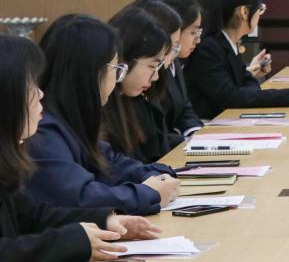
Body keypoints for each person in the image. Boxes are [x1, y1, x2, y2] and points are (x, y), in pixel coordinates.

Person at [0, 34, 161, 262]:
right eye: (30, 86)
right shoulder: (47, 131)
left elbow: (31, 217)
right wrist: (73, 241)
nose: (40, 93)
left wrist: (105, 221)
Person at [24, 15, 179, 216]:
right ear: (89, 72)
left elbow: (112, 166)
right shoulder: (43, 130)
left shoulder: (70, 119)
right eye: (116, 69)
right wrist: (147, 192)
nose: (117, 79)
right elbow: (79, 198)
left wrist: (160, 176)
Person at [187, 0, 289, 119]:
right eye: (260, 8)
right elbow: (232, 96)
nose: (260, 14)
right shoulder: (208, 47)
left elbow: (248, 85)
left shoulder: (228, 42)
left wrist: (248, 87)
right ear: (244, 12)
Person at [103, 6, 172, 163]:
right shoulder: (99, 107)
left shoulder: (133, 101)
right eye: (152, 66)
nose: (155, 77)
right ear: (125, 57)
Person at [157, 0, 204, 144]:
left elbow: (184, 107)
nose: (198, 40)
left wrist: (195, 132)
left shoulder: (175, 61)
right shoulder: (154, 67)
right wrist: (185, 140)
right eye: (193, 32)